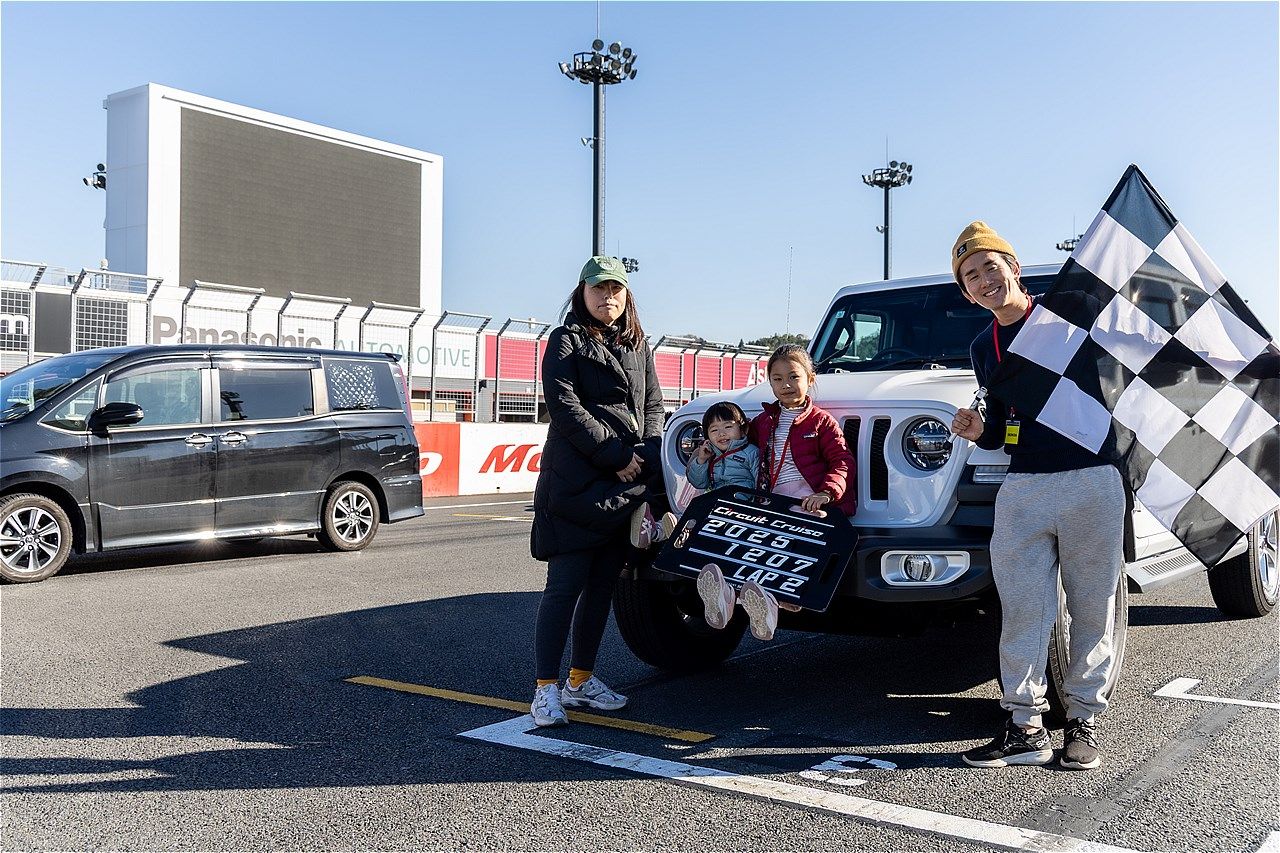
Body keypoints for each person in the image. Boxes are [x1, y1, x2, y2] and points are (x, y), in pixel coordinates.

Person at [948, 221, 1124, 771]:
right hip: (1022, 484)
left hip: (1092, 475)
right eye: (971, 277)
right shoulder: (983, 346)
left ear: (1013, 267)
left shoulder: (1067, 312)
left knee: (1093, 606)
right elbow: (1003, 425)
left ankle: (1083, 720)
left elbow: (1133, 353)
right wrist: (982, 432)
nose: (983, 281)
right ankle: (1025, 726)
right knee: (1023, 609)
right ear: (966, 292)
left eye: (989, 267)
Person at [529, 255, 665, 728]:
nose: (607, 297)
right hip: (576, 482)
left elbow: (653, 406)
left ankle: (581, 681)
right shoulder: (565, 340)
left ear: (627, 295)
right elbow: (564, 407)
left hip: (625, 484)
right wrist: (616, 456)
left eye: (616, 289)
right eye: (598, 289)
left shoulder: (639, 344)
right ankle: (546, 689)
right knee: (564, 587)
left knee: (603, 589)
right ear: (581, 293)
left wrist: (644, 456)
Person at [698, 344, 856, 641]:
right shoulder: (763, 421)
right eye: (777, 378)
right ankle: (730, 596)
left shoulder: (821, 421)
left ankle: (766, 600)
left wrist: (827, 492)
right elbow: (738, 445)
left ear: (810, 378)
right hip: (770, 501)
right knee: (738, 533)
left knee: (787, 539)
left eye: (794, 377)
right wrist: (710, 449)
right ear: (769, 382)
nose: (786, 385)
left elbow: (842, 460)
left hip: (807, 502)